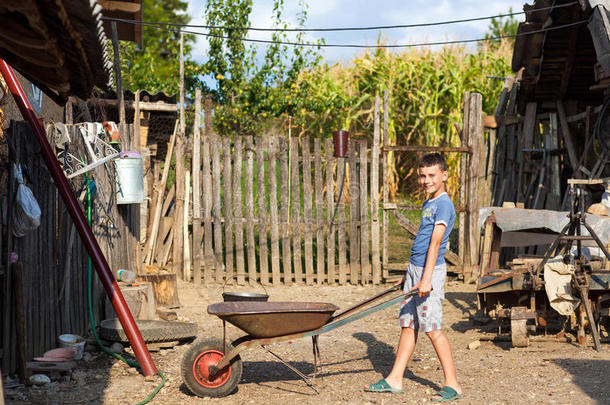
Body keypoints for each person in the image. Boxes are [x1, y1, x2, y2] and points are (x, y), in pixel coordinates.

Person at [365, 153, 463, 402]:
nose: (426, 180)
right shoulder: (429, 203)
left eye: (431, 175)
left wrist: (426, 278)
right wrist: (410, 273)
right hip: (417, 271)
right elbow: (420, 240)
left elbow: (435, 243)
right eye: (422, 175)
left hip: (430, 273)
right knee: (408, 324)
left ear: (444, 175)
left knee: (432, 329)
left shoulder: (443, 204)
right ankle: (394, 379)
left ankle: (453, 384)